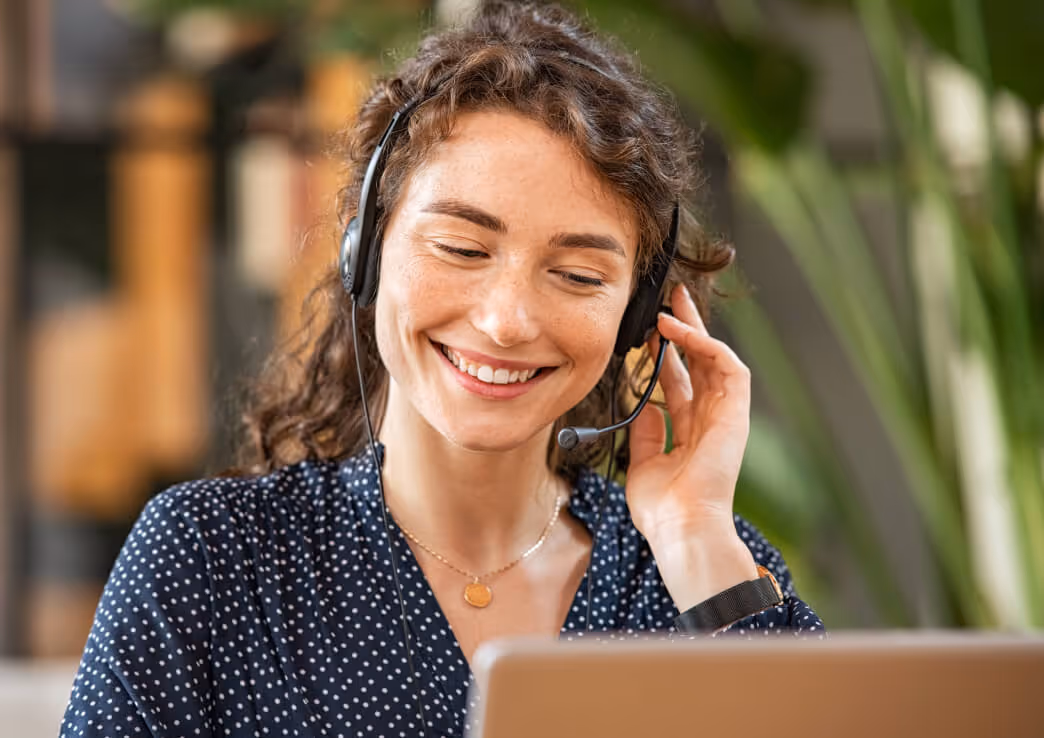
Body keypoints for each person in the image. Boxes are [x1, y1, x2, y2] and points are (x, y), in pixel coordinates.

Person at [61, 2, 823, 736]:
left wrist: (695, 540)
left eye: (579, 276)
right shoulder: (214, 559)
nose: (505, 321)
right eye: (461, 249)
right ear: (366, 257)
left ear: (634, 313)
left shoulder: (703, 573)